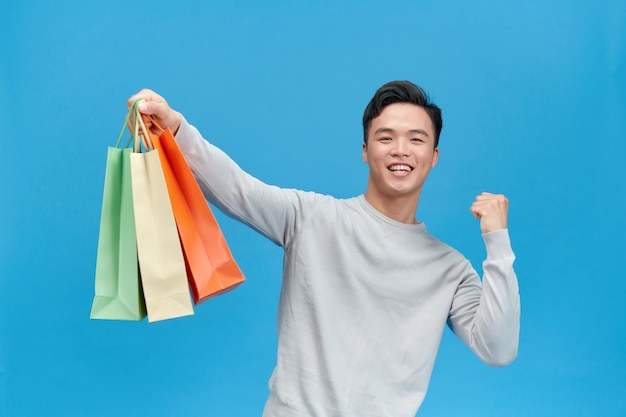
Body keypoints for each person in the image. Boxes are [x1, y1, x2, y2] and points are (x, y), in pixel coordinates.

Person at [129, 80, 520, 417]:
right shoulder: (311, 217)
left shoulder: (449, 268)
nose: (401, 149)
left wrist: (497, 242)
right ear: (365, 150)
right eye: (386, 137)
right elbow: (237, 189)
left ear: (433, 157)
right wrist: (176, 127)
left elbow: (498, 349)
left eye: (416, 139)